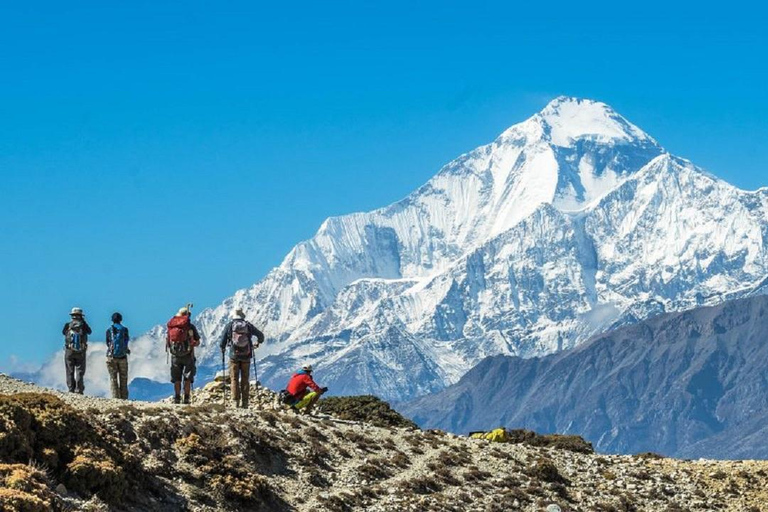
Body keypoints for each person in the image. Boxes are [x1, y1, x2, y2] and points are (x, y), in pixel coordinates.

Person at [219, 308, 264, 408]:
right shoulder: (248, 325)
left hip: (233, 356)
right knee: (245, 379)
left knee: (234, 379)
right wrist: (257, 343)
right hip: (246, 356)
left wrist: (222, 349)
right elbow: (261, 336)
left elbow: (222, 341)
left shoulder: (230, 325)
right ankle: (245, 402)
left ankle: (235, 401)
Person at [166, 306, 201, 404]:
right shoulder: (190, 326)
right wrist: (193, 343)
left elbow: (168, 342)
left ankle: (177, 397)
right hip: (188, 355)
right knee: (187, 378)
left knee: (177, 378)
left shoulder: (172, 326)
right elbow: (197, 342)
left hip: (175, 355)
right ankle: (186, 398)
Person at [62, 307, 92, 394]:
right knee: (80, 371)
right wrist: (83, 322)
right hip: (81, 351)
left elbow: (64, 333)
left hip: (69, 350)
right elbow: (90, 332)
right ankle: (79, 390)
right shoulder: (84, 325)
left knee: (69, 370)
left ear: (72, 316)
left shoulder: (68, 325)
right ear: (81, 316)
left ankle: (71, 389)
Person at [105, 312, 130, 400]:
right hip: (123, 357)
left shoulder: (109, 330)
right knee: (123, 378)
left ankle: (115, 398)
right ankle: (124, 398)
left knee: (113, 378)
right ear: (121, 320)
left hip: (111, 357)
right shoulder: (125, 330)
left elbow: (108, 343)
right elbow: (126, 341)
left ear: (112, 320)